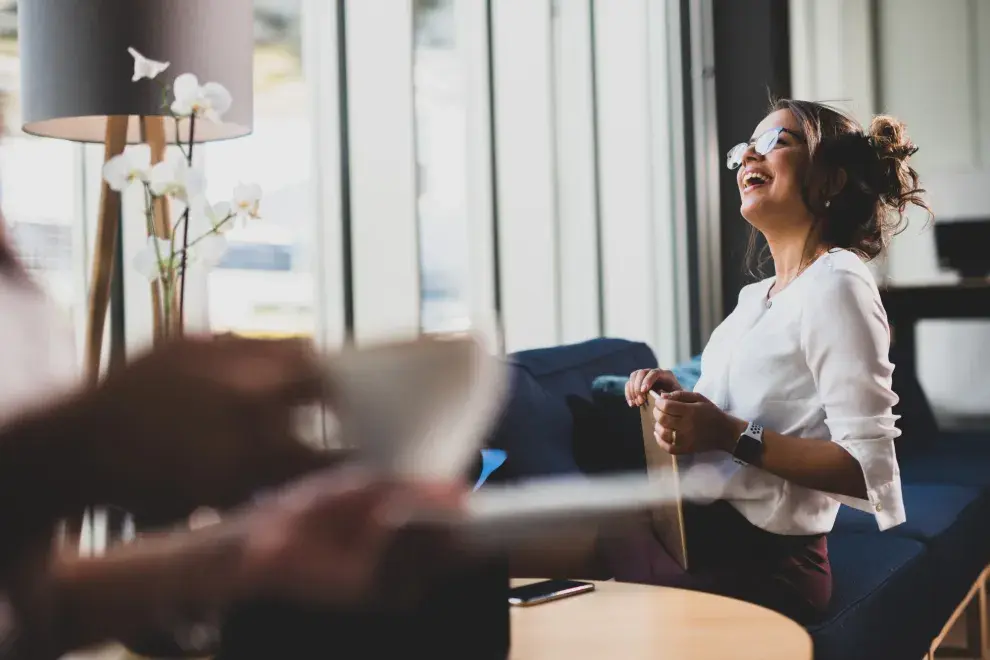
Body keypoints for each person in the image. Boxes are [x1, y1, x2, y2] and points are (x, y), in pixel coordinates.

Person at [617, 99, 931, 622]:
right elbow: (734, 423)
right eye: (743, 150)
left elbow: (865, 470)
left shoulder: (838, 281)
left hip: (765, 564)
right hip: (702, 534)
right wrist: (678, 400)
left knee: (561, 552)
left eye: (776, 143)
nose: (747, 159)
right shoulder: (755, 297)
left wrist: (723, 431)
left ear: (829, 179)